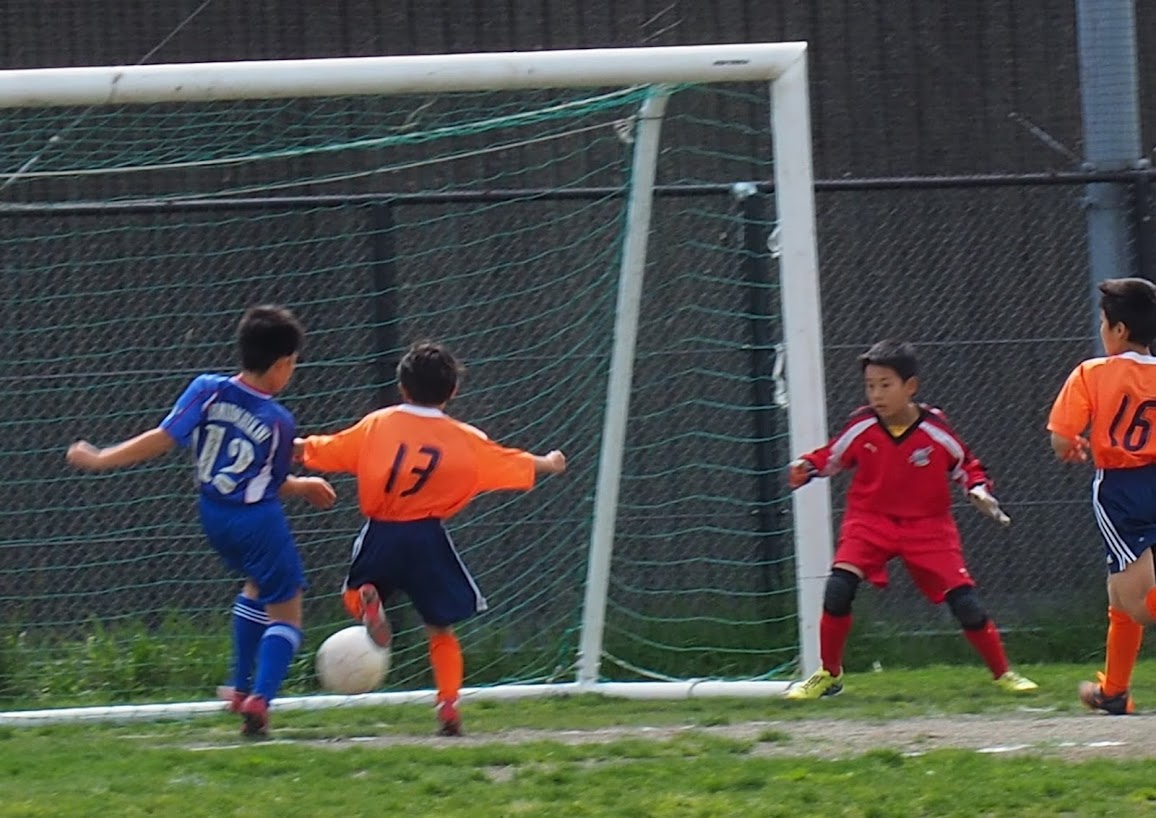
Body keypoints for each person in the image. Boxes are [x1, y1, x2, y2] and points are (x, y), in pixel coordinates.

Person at [65, 305, 335, 736]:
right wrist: (303, 485)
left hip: (213, 516)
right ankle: (261, 699)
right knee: (287, 613)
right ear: (282, 365)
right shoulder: (279, 422)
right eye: (293, 363)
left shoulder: (206, 390)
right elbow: (271, 482)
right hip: (257, 521)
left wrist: (101, 457)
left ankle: (238, 686)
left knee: (256, 585)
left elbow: (163, 438)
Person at [294, 340, 566, 736]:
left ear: (402, 386)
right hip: (427, 538)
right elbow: (508, 460)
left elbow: (331, 447)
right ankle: (449, 705)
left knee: (355, 591)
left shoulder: (379, 424)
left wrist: (298, 448)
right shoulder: (463, 438)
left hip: (383, 530)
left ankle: (368, 599)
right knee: (440, 628)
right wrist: (550, 463)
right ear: (452, 391)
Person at [784, 339, 1037, 700]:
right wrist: (806, 467)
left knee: (966, 604)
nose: (877, 394)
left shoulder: (935, 430)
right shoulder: (862, 425)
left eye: (885, 385)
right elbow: (833, 456)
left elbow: (966, 465)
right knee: (838, 589)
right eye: (870, 386)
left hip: (928, 527)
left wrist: (979, 490)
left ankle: (1004, 673)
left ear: (911, 386)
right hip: (869, 521)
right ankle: (829, 675)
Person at [1048, 277, 1156, 715]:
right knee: (1119, 594)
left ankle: (1114, 692)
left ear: (1118, 330)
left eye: (1102, 323)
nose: (1101, 330)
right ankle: (1113, 692)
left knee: (1139, 603)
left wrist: (1071, 447)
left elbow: (1061, 436)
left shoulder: (1093, 373)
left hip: (1121, 489)